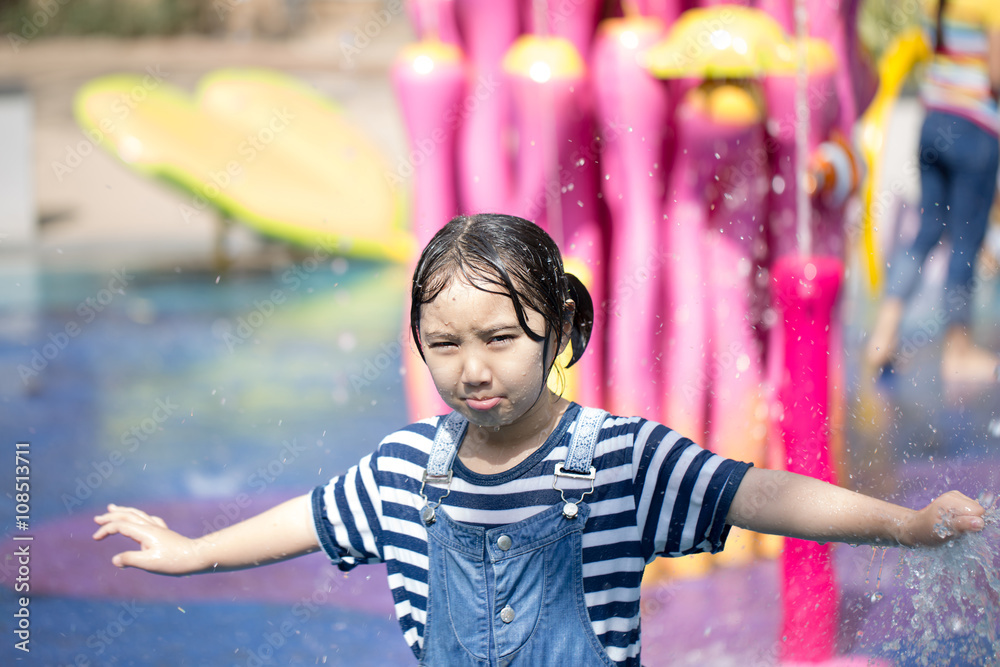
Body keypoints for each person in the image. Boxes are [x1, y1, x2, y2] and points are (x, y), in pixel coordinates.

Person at [95, 214, 986, 667]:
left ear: (559, 329)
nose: (471, 369)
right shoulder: (408, 469)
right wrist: (194, 551)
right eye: (443, 345)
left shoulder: (618, 461)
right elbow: (308, 519)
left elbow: (763, 493)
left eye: (499, 339)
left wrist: (902, 525)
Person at [867, 0, 1000, 382]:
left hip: (934, 121)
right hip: (975, 127)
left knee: (926, 231)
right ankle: (958, 351)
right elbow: (995, 74)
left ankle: (883, 334)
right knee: (965, 242)